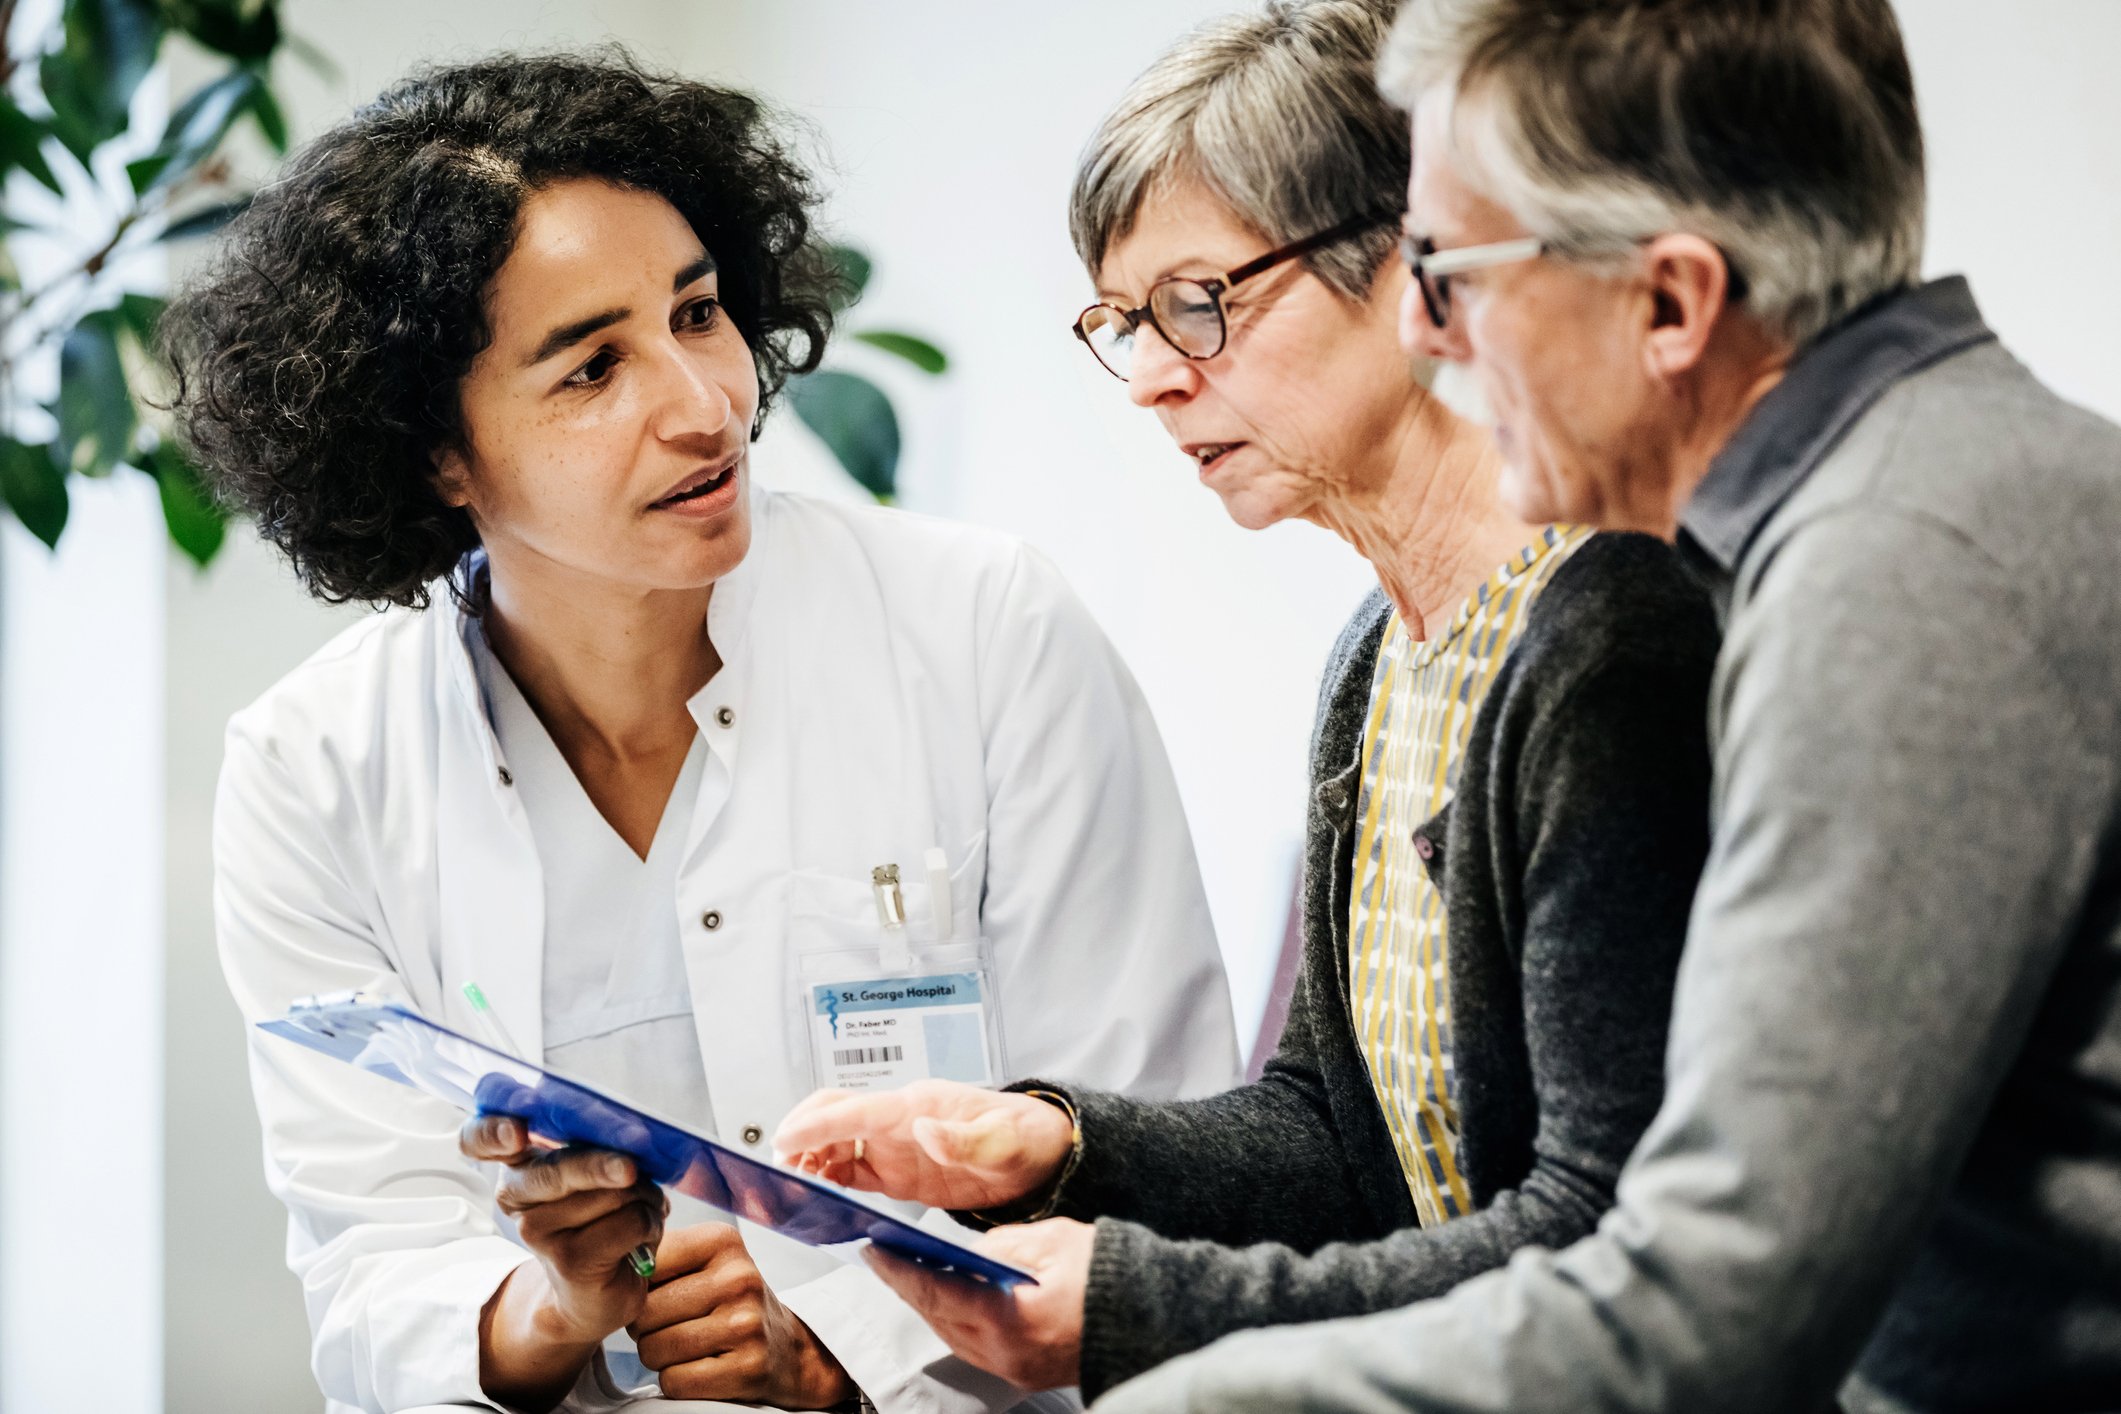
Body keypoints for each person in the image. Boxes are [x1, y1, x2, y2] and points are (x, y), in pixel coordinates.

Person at [1084, 0, 2121, 1410]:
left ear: (1672, 301)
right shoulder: (1918, 496)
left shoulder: (1893, 571)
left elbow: (1713, 1303)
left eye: (1452, 268)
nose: (1428, 330)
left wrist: (1183, 1390)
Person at [171, 53, 1238, 1414]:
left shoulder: (982, 632)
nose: (701, 404)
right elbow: (371, 1260)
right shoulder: (313, 769)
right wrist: (555, 1308)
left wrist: (833, 1357)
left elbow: (1159, 1152)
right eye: (592, 366)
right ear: (435, 448)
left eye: (697, 311)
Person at [774, 1, 1720, 1400]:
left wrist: (1142, 1300)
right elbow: (1336, 1138)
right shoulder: (1373, 656)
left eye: (1195, 303)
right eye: (1122, 323)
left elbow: (1605, 1226)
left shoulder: (1605, 632)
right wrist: (1048, 1141)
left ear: (1412, 263)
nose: (1154, 378)